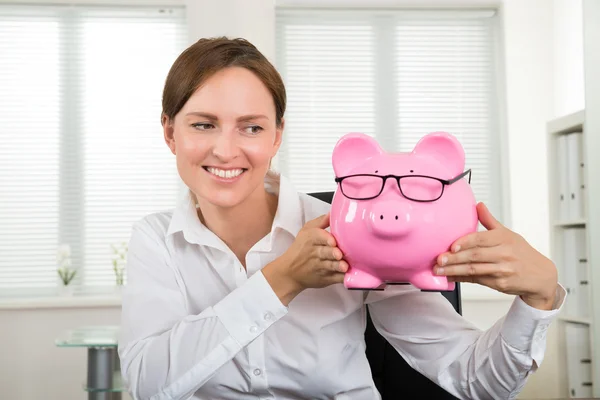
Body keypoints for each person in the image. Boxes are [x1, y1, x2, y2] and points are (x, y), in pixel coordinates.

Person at [118, 37, 565, 400]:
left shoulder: (353, 233)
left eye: (252, 127)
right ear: (169, 132)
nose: (226, 150)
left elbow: (475, 381)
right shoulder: (156, 241)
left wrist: (538, 298)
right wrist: (282, 279)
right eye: (203, 124)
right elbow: (148, 385)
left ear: (276, 137)